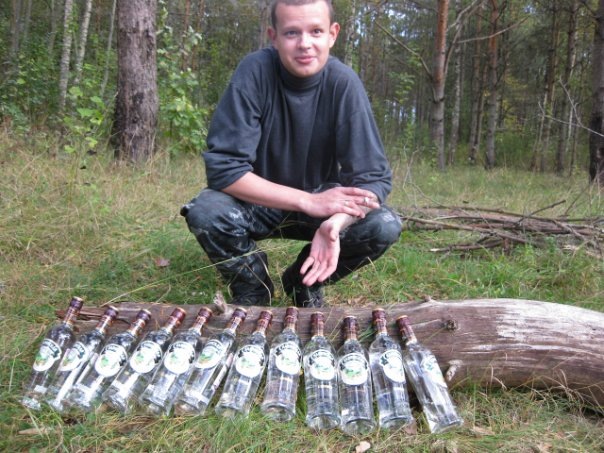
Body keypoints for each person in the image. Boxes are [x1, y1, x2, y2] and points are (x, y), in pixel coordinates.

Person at [181, 0, 402, 307]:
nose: (305, 44)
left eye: (316, 31)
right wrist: (307, 200)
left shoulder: (343, 83)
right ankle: (253, 287)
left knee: (384, 224)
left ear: (333, 34)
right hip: (259, 201)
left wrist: (335, 223)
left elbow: (374, 180)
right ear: (273, 36)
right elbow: (224, 170)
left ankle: (303, 282)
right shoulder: (254, 72)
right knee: (206, 211)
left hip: (324, 205)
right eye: (292, 33)